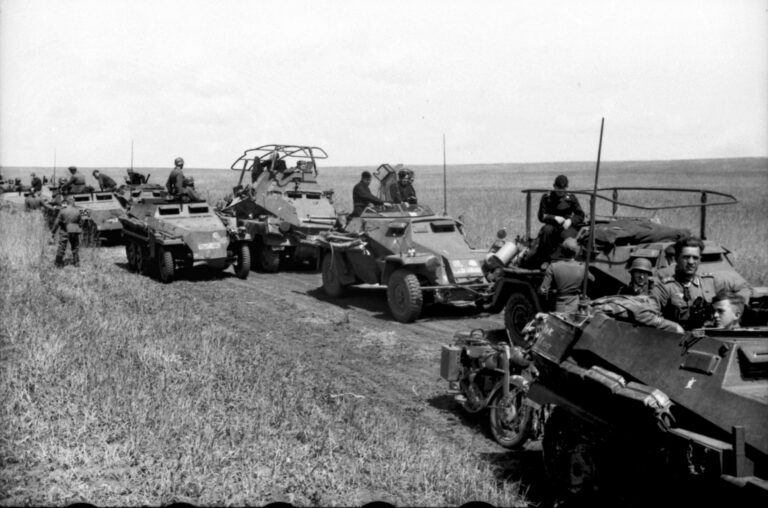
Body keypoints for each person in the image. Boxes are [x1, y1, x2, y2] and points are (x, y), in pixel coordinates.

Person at [651, 236, 752, 330]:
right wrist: (674, 327)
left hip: (708, 338)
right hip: (676, 340)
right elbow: (647, 315)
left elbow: (742, 286)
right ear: (677, 258)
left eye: (695, 258)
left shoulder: (710, 281)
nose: (691, 262)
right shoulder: (664, 288)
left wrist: (734, 311)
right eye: (686, 257)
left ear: (700, 260)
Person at [527, 175, 585, 267]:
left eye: (563, 188)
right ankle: (546, 260)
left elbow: (580, 215)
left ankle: (566, 261)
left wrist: (570, 220)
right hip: (552, 224)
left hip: (567, 225)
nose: (561, 191)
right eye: (558, 188)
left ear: (566, 187)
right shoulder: (547, 197)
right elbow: (541, 216)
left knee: (568, 237)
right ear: (554, 186)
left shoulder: (571, 198)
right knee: (546, 231)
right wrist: (554, 218)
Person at [538, 238, 592, 313]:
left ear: (562, 251)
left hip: (561, 304)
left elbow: (543, 290)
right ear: (575, 253)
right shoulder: (582, 267)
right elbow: (592, 280)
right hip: (575, 304)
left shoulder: (553, 266)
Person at [52, 197, 83, 267]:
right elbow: (81, 223)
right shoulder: (78, 210)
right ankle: (76, 262)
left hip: (64, 230)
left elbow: (56, 223)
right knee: (75, 246)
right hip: (74, 231)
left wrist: (53, 232)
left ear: (67, 202)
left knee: (62, 247)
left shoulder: (62, 211)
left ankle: (58, 263)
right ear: (73, 202)